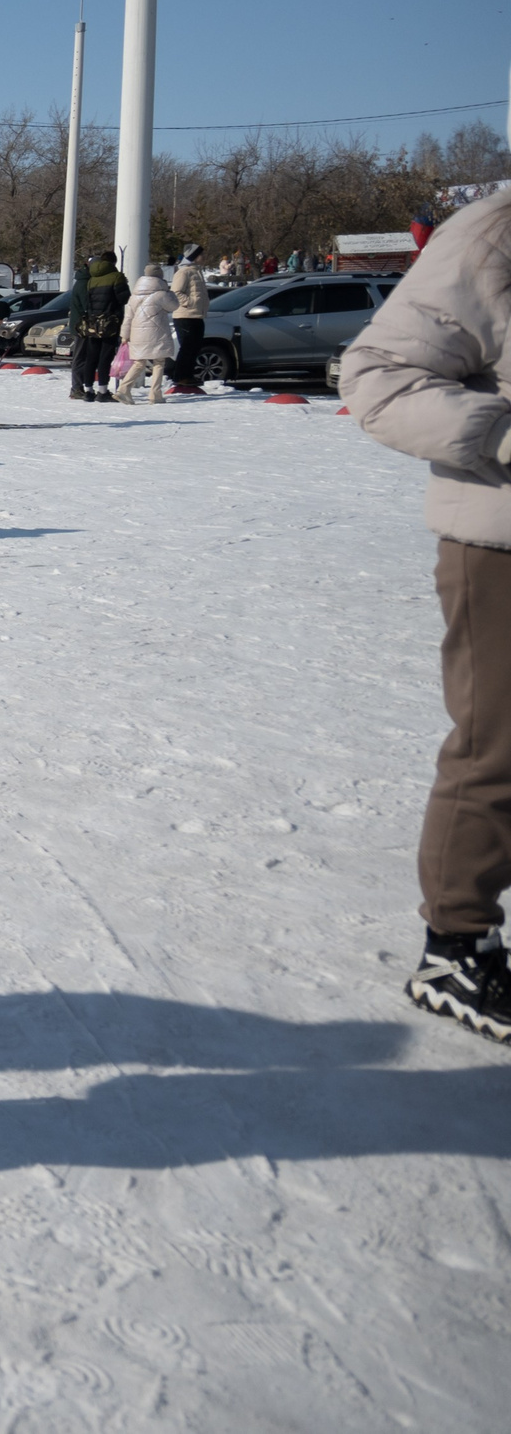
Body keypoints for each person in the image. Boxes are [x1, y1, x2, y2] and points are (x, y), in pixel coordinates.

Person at [342, 185, 511, 1042]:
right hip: (502, 544)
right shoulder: (496, 229)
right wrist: (499, 434)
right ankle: (457, 945)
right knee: (499, 748)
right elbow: (374, 376)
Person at [68, 248, 129, 402]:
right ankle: (102, 391)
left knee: (91, 356)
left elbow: (88, 302)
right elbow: (123, 298)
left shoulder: (91, 279)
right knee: (105, 357)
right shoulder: (116, 277)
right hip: (109, 322)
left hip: (92, 322)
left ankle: (88, 390)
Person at [112, 272, 175, 404]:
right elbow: (174, 306)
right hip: (157, 332)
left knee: (139, 362)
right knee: (159, 362)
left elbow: (128, 317)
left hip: (137, 334)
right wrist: (169, 292)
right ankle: (155, 394)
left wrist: (124, 335)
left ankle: (124, 389)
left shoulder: (134, 296)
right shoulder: (162, 294)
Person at [168, 244, 210, 394]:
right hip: (185, 315)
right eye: (200, 254)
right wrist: (190, 303)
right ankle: (180, 376)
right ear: (193, 256)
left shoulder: (196, 271)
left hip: (197, 315)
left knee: (195, 347)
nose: (203, 257)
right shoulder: (183, 272)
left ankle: (188, 375)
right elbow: (176, 292)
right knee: (187, 347)